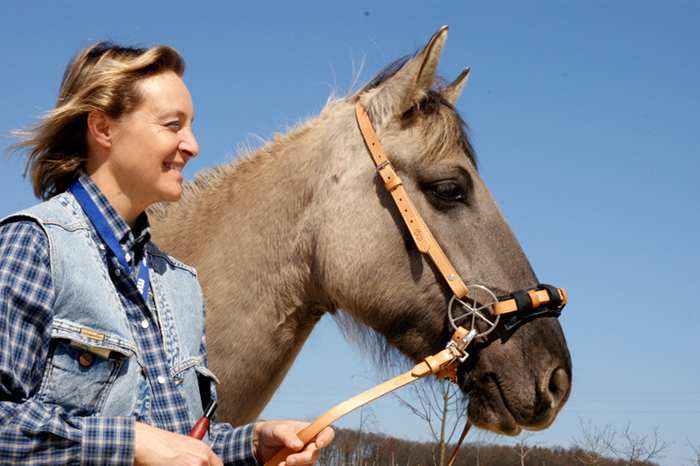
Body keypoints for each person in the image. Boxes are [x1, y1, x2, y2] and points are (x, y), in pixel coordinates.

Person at [0, 42, 333, 466]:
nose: (192, 145)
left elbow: (185, 441)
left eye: (191, 126)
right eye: (172, 125)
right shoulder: (32, 246)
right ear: (102, 128)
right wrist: (131, 443)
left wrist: (251, 444)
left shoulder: (180, 284)